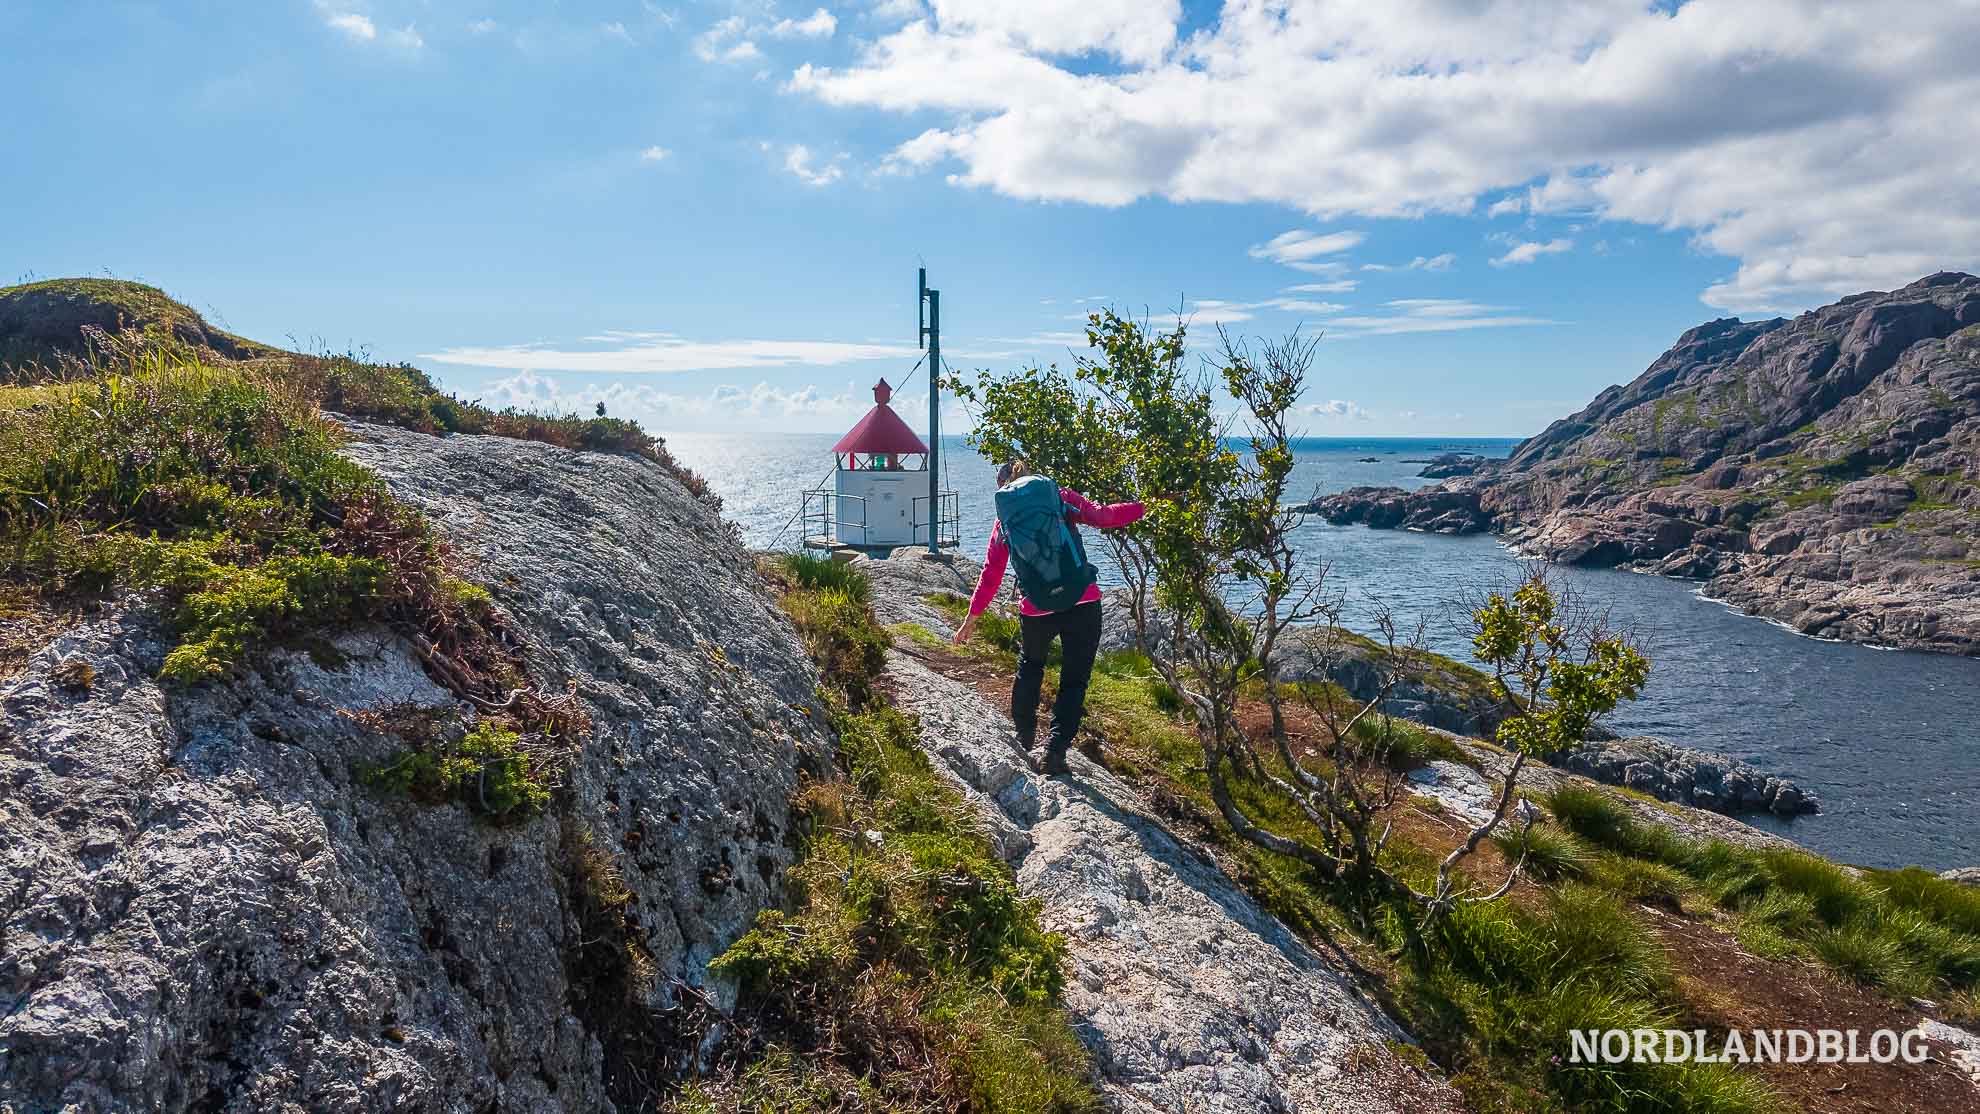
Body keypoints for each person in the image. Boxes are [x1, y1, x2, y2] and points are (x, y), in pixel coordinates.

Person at [955, 461, 1144, 775]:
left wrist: (971, 618)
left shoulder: (1006, 519)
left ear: (1003, 487)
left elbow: (992, 573)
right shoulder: (1057, 495)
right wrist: (1142, 508)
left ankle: (1024, 736)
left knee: (1030, 666)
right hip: (1082, 600)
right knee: (1074, 680)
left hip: (1036, 607)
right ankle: (1055, 752)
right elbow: (1103, 516)